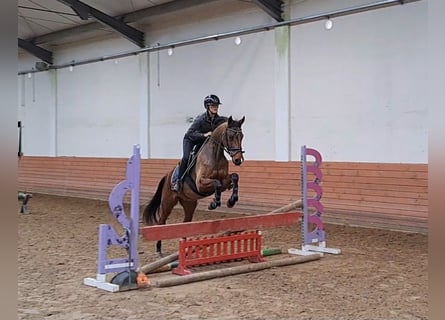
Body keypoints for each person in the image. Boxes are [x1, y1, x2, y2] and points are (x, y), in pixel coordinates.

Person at [171, 94, 227, 192]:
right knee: (186, 157)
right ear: (207, 107)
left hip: (204, 142)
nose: (215, 107)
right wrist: (204, 135)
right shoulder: (200, 119)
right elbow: (190, 133)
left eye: (216, 105)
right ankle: (178, 181)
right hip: (191, 139)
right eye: (213, 105)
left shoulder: (220, 119)